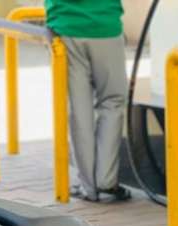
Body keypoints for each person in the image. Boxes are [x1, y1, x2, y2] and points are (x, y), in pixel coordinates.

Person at [45, 0, 132, 203]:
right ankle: (106, 181)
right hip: (105, 26)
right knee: (112, 102)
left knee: (78, 109)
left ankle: (88, 187)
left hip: (66, 27)